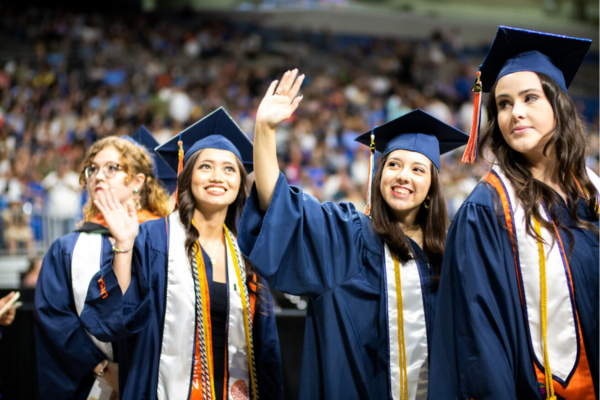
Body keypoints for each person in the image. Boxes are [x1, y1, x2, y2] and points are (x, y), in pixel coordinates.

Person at [237, 69, 468, 399]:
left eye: (417, 169)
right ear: (379, 175)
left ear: (432, 188)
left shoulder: (447, 258)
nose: (403, 176)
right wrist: (265, 130)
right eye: (393, 165)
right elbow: (279, 205)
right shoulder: (346, 237)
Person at [429, 27, 599, 399]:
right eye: (503, 104)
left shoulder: (592, 192)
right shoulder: (487, 209)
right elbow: (480, 339)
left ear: (560, 104)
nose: (515, 113)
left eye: (529, 98)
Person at [79, 108, 283, 400]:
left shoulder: (247, 254)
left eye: (229, 169)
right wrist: (123, 245)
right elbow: (114, 320)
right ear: (187, 175)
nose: (217, 177)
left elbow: (267, 349)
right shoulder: (152, 238)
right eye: (205, 166)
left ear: (240, 182)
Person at [34, 127, 173, 400]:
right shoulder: (68, 248)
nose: (98, 175)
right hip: (95, 384)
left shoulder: (166, 240)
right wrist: (101, 368)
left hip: (160, 378)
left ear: (137, 181)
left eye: (111, 168)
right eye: (92, 169)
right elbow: (56, 319)